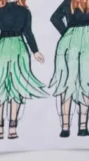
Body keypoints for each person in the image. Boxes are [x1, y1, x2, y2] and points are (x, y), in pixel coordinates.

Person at [0, 0, 48, 141]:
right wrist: (35, 51)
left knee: (0, 88)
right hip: (18, 48)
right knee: (16, 88)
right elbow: (28, 33)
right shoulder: (25, 12)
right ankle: (12, 128)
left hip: (1, 50)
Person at [48, 0, 89, 137]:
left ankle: (65, 127)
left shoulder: (69, 2)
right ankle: (83, 127)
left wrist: (67, 33)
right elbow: (54, 18)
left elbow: (55, 18)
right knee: (85, 82)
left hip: (69, 42)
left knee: (67, 82)